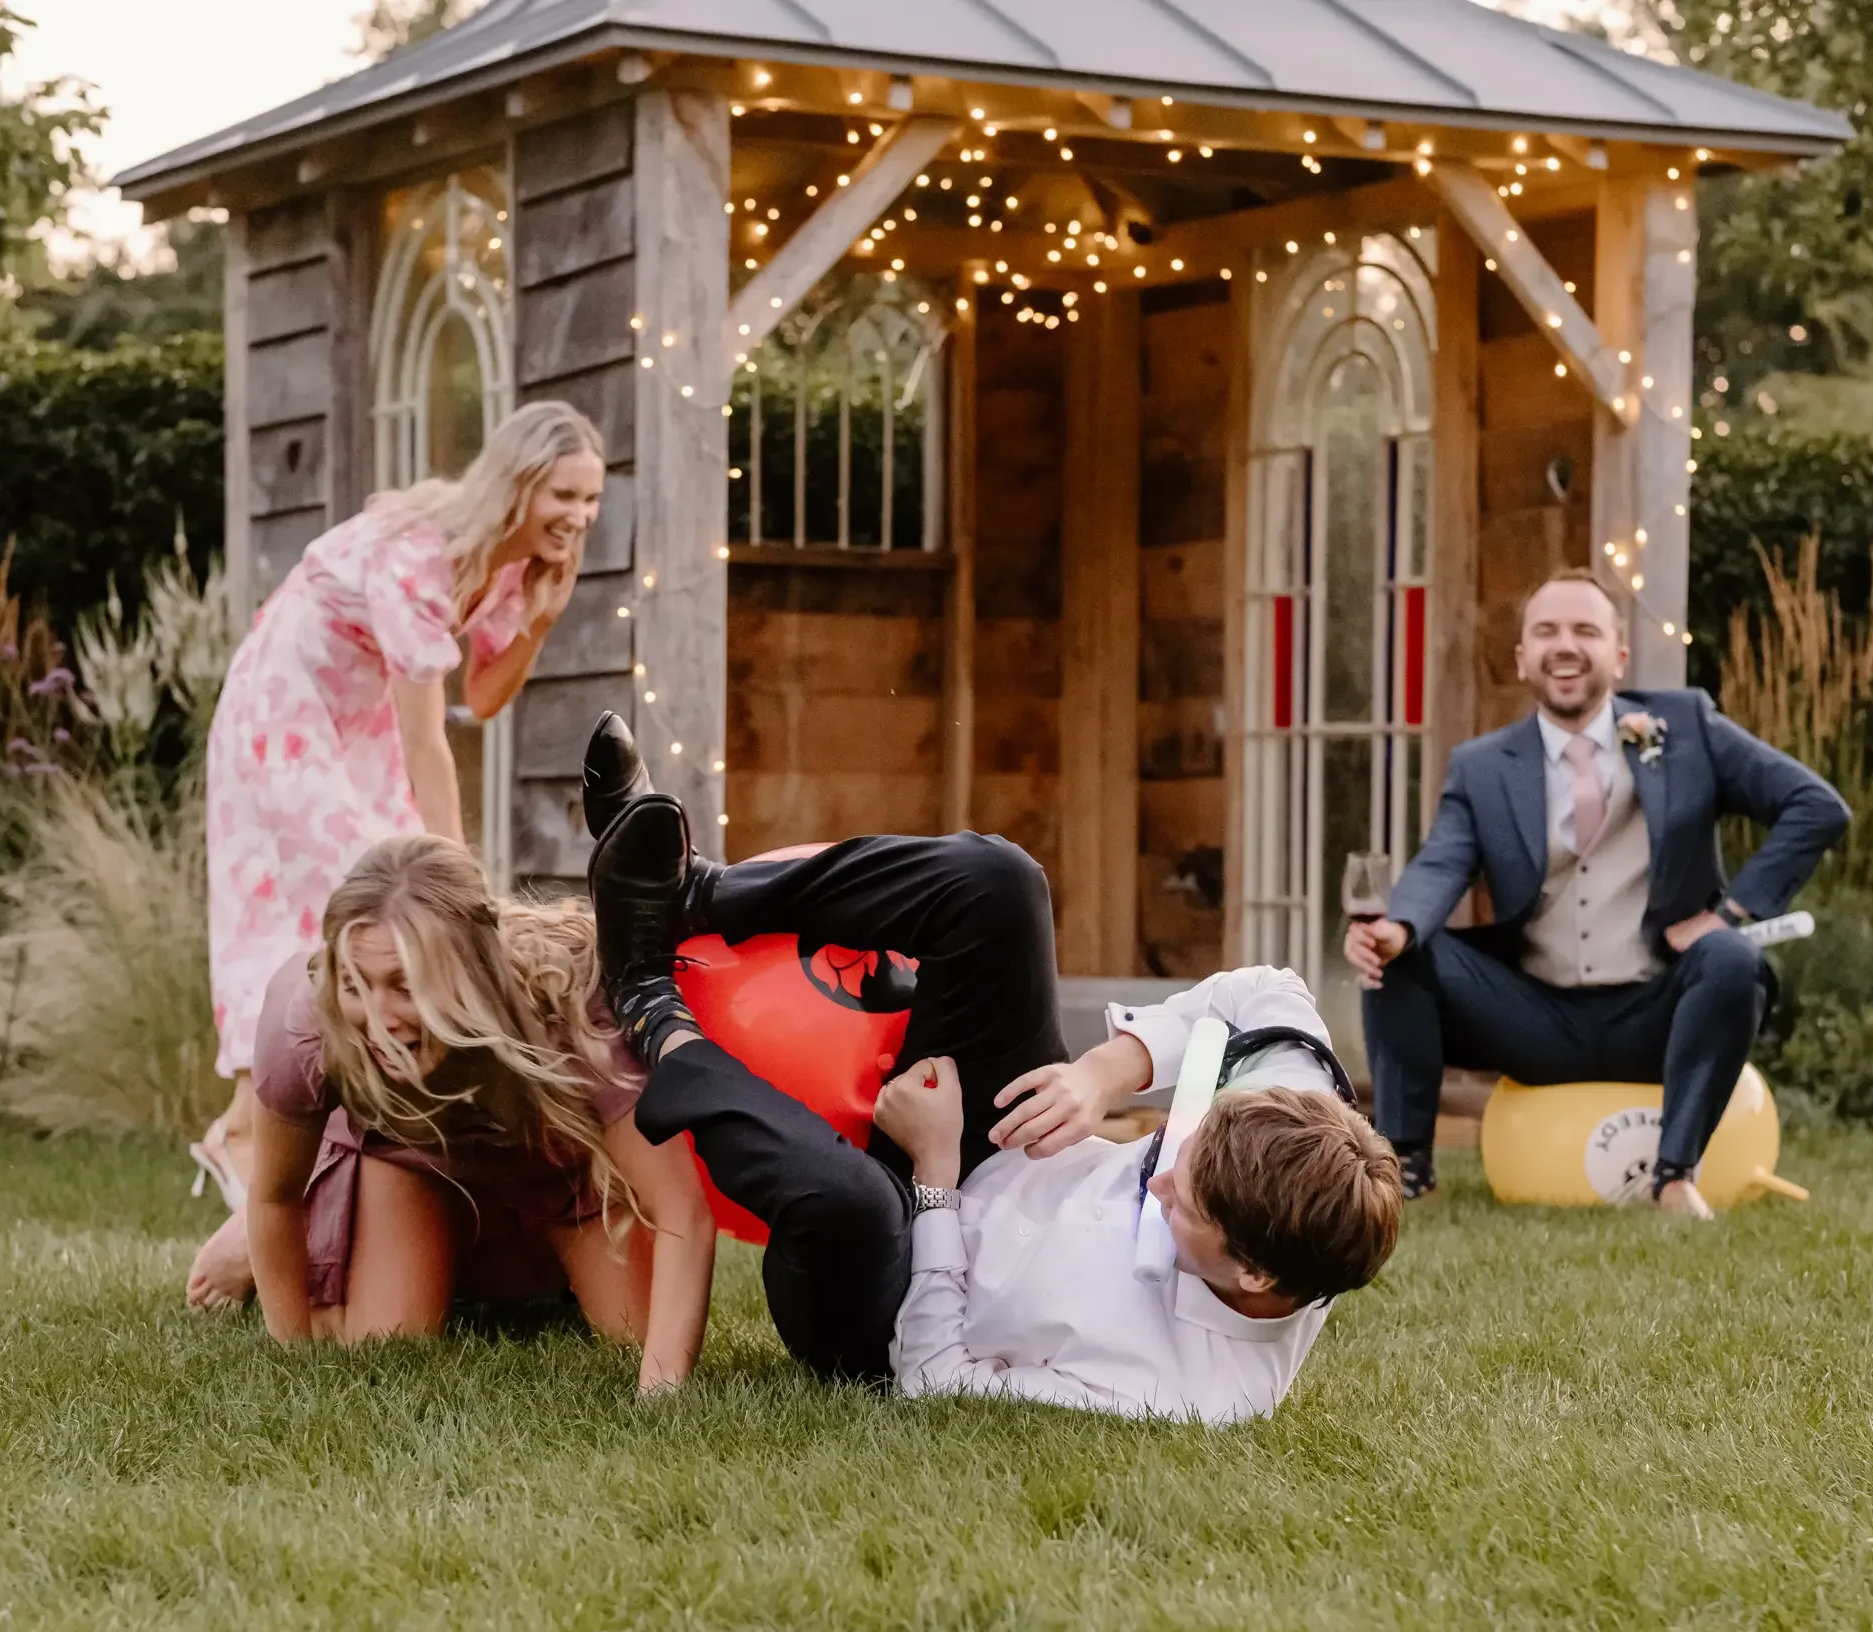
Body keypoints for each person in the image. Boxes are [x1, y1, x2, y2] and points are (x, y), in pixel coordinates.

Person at [579, 718, 1401, 1423]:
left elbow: (939, 1377)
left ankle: (650, 1003)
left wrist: (934, 1182)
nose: (1155, 1179)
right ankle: (687, 891)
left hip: (899, 1291)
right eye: (1173, 1158)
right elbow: (1265, 993)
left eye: (1184, 1200)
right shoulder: (1298, 1102)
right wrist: (1105, 1075)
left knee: (851, 1202)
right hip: (1014, 1144)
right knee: (1002, 884)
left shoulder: (1195, 1390)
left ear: (1254, 1273)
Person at [188, 401, 604, 1307]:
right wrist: (460, 902)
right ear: (520, 482)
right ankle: (263, 1153)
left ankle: (251, 1141)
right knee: (374, 908)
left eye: (592, 499)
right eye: (565, 494)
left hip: (359, 714)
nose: (580, 515)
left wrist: (541, 612)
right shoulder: (424, 553)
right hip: (291, 706)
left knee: (380, 919)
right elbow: (428, 745)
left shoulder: (510, 567)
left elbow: (482, 698)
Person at [1348, 571, 1850, 1216]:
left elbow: (1816, 806)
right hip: (1532, 1020)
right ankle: (1406, 1173)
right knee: (1399, 957)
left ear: (1618, 655)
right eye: (1547, 631)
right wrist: (1401, 926)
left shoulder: (1687, 726)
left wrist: (1730, 914)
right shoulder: (1482, 765)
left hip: (1658, 1011)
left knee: (1732, 960)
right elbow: (1442, 860)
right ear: (1522, 657)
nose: (1566, 645)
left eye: (1586, 630)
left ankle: (1674, 1176)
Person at [238, 834, 715, 1392]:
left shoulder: (575, 1013)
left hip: (551, 1163)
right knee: (390, 1347)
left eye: (405, 986)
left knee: (635, 1336)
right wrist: (292, 1355)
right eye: (355, 984)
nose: (376, 1017)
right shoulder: (307, 1026)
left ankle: (537, 1272)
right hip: (410, 1162)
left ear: (472, 973)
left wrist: (660, 1394)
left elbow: (684, 1212)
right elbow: (274, 1196)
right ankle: (259, 1235)